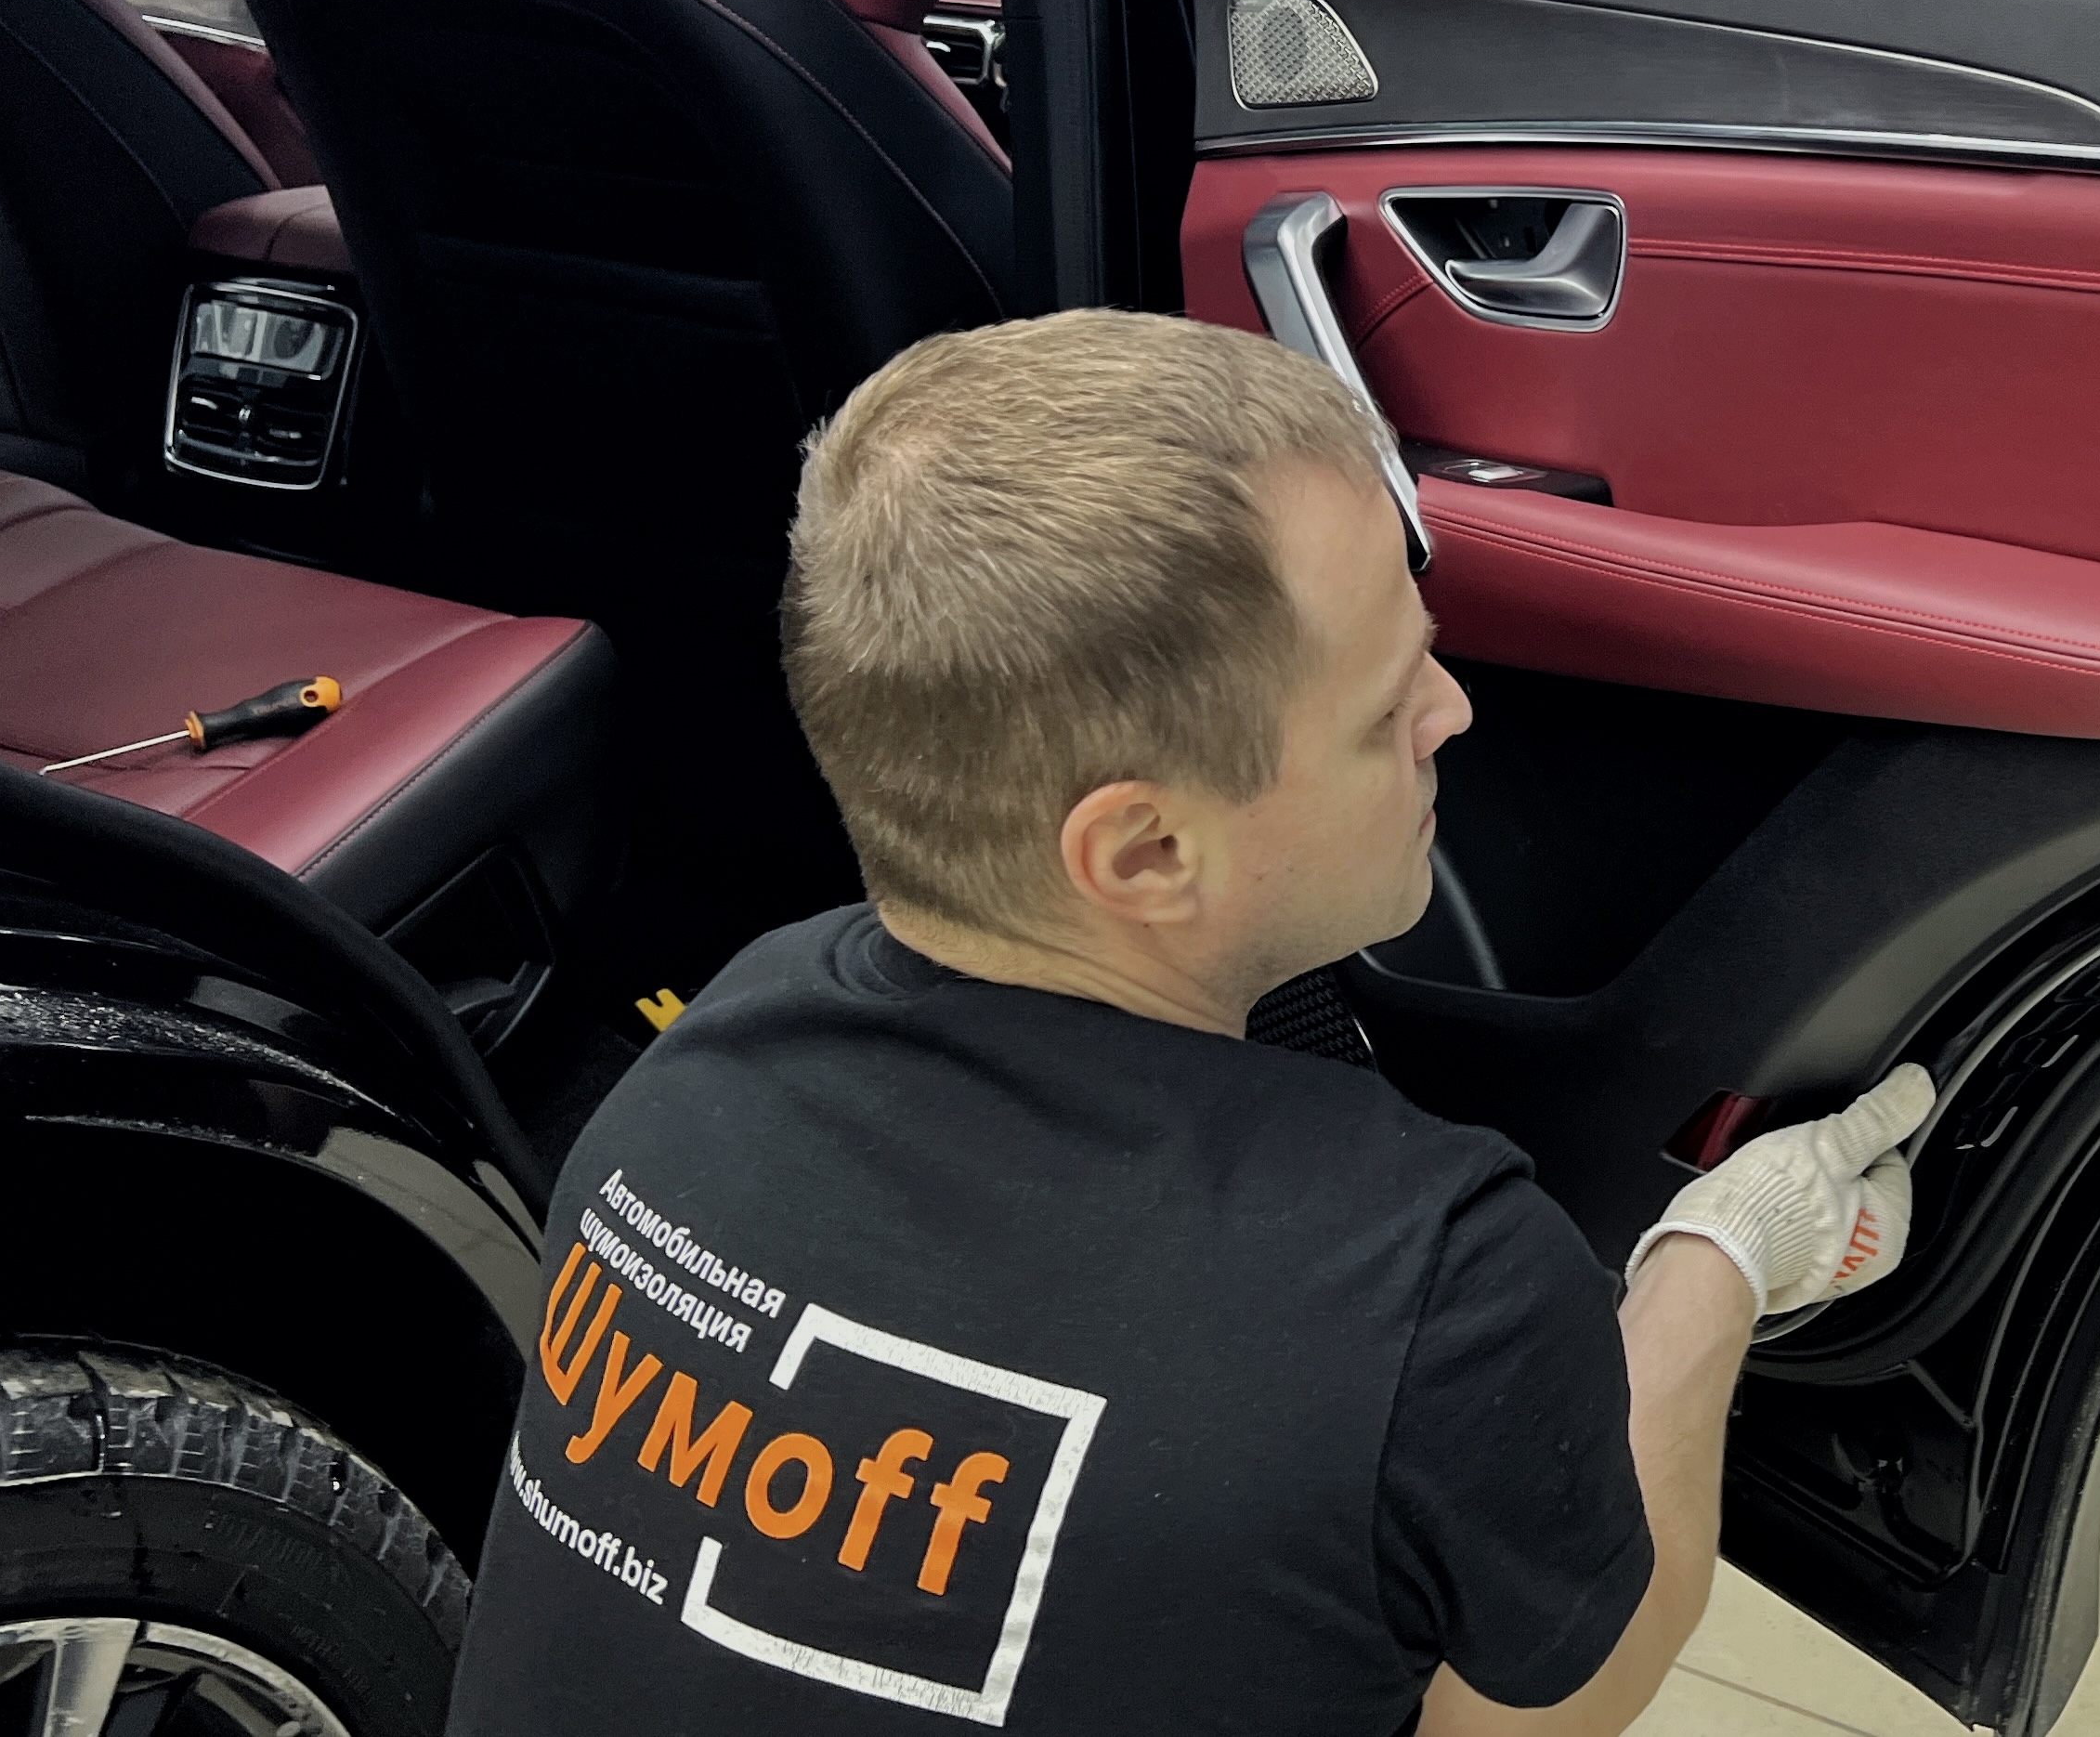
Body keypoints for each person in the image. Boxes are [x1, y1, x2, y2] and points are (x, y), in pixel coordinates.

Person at [445, 310, 1933, 1736]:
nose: (1453, 713)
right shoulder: (1431, 1287)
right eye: (1383, 709)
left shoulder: (697, 1071)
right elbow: (1555, 1701)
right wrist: (1721, 1259)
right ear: (1147, 852)